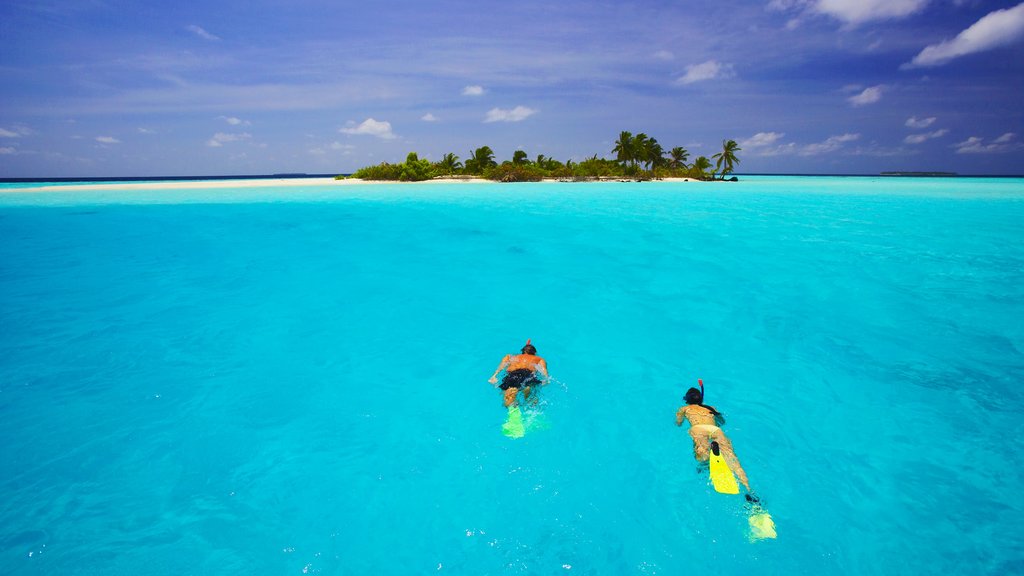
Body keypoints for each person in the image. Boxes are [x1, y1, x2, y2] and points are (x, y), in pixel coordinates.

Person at [675, 384, 751, 492]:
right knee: (732, 459)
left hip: (698, 429)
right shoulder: (711, 408)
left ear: (687, 399)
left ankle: (707, 460)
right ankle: (748, 488)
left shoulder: (684, 408)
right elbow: (722, 422)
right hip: (715, 430)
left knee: (701, 456)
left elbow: (678, 423)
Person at [488, 339, 549, 407]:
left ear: (522, 351)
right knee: (531, 392)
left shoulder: (510, 356)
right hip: (527, 375)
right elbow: (544, 372)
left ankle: (512, 405)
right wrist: (546, 380)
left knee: (509, 394)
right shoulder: (539, 359)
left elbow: (501, 366)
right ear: (534, 353)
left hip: (512, 375)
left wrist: (494, 376)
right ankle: (529, 399)